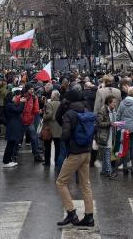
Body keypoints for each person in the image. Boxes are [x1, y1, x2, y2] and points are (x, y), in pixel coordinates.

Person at [55, 89, 95, 228]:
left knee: (61, 182)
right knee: (85, 184)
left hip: (75, 152)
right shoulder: (86, 109)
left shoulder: (69, 113)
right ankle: (89, 216)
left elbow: (64, 132)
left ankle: (71, 212)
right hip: (87, 151)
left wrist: (64, 141)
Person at [20, 83, 44, 163]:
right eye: (30, 89)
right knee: (19, 139)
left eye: (32, 89)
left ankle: (36, 155)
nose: (32, 90)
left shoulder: (34, 98)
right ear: (27, 89)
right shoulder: (22, 96)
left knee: (34, 138)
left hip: (29, 121)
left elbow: (35, 110)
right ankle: (13, 155)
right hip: (22, 121)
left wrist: (39, 111)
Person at [2, 88, 24, 168]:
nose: (16, 98)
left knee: (11, 144)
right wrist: (22, 103)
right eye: (14, 97)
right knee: (10, 145)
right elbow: (18, 110)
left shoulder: (10, 104)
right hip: (12, 127)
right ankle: (6, 161)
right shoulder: (9, 105)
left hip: (12, 126)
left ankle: (8, 160)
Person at [96, 95, 116, 178]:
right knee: (107, 153)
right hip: (104, 135)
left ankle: (103, 171)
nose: (115, 104)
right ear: (109, 102)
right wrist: (110, 124)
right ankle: (109, 171)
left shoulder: (113, 110)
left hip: (111, 134)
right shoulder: (102, 110)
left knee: (105, 153)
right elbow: (99, 123)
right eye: (114, 102)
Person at [42, 90, 62, 167]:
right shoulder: (61, 104)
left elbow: (49, 115)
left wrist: (44, 116)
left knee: (47, 146)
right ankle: (57, 162)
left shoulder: (49, 104)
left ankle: (47, 162)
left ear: (53, 96)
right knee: (58, 147)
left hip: (49, 128)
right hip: (59, 128)